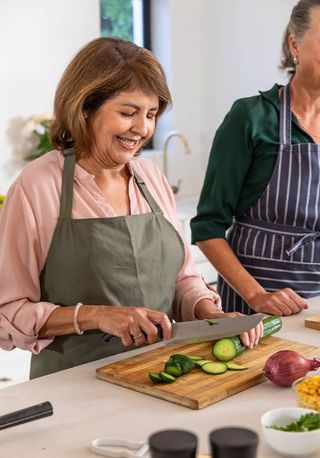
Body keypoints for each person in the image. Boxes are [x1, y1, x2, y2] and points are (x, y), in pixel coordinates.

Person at [0, 38, 261, 379]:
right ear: (85, 108)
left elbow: (181, 278)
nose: (143, 129)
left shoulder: (151, 176)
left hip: (163, 376)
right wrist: (96, 315)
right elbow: (9, 310)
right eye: (128, 113)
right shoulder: (37, 186)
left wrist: (207, 312)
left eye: (151, 114)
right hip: (75, 386)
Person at [191, 0, 320, 318]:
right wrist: (257, 296)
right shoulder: (251, 117)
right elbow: (208, 228)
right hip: (258, 310)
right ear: (294, 44)